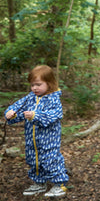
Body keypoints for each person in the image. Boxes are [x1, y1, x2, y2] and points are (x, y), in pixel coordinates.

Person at [4, 65, 69, 197]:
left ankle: (60, 184)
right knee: (34, 160)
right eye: (32, 85)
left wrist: (35, 115)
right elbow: (18, 108)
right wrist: (11, 113)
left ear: (49, 83)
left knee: (51, 160)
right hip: (31, 140)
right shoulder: (30, 98)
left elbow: (54, 115)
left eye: (38, 84)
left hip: (48, 141)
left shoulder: (53, 99)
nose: (34, 88)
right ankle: (39, 183)